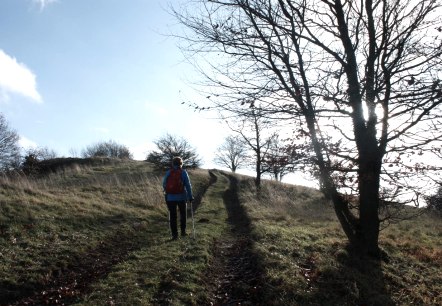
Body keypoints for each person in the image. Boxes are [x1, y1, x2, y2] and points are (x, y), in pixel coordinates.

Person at [162, 157, 194, 240]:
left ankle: (174, 235)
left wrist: (167, 191)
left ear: (173, 164)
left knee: (173, 216)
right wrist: (190, 196)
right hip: (181, 197)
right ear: (181, 164)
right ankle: (183, 232)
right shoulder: (183, 172)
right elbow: (188, 185)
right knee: (183, 214)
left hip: (170, 198)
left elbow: (164, 183)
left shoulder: (169, 172)